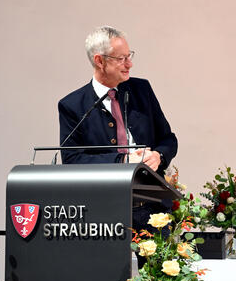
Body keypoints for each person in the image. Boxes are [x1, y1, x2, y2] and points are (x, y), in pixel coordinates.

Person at [58, 26, 178, 267]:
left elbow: (168, 139)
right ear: (99, 61)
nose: (129, 64)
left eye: (129, 56)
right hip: (104, 212)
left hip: (151, 206)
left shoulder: (141, 90)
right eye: (121, 59)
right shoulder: (73, 105)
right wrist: (122, 163)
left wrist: (158, 156)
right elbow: (72, 159)